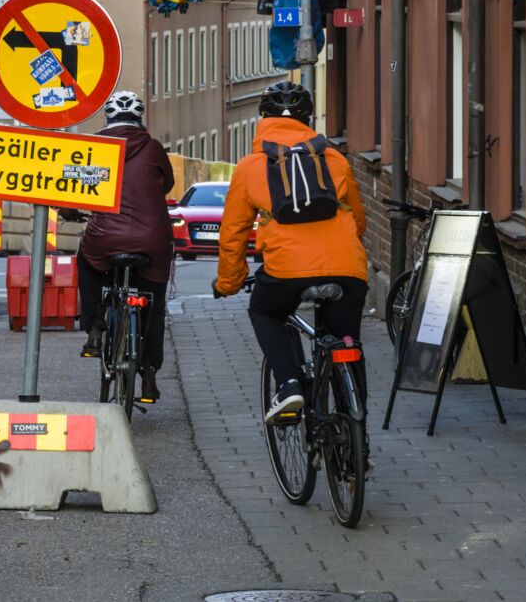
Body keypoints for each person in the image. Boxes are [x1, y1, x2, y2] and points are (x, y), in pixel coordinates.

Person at [212, 81, 369, 423]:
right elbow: (358, 220)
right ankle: (357, 435)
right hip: (347, 269)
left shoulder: (251, 166)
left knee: (266, 312)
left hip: (286, 272)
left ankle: (288, 384)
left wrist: (229, 282)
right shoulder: (334, 159)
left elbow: (233, 233)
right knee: (347, 344)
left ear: (263, 118)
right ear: (307, 119)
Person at [72, 90, 174, 404]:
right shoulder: (154, 148)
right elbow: (166, 184)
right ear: (139, 119)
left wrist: (69, 211)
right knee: (153, 304)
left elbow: (79, 188)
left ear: (108, 119)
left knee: (86, 262)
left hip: (105, 238)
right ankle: (149, 375)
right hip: (152, 240)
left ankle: (94, 329)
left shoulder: (95, 148)